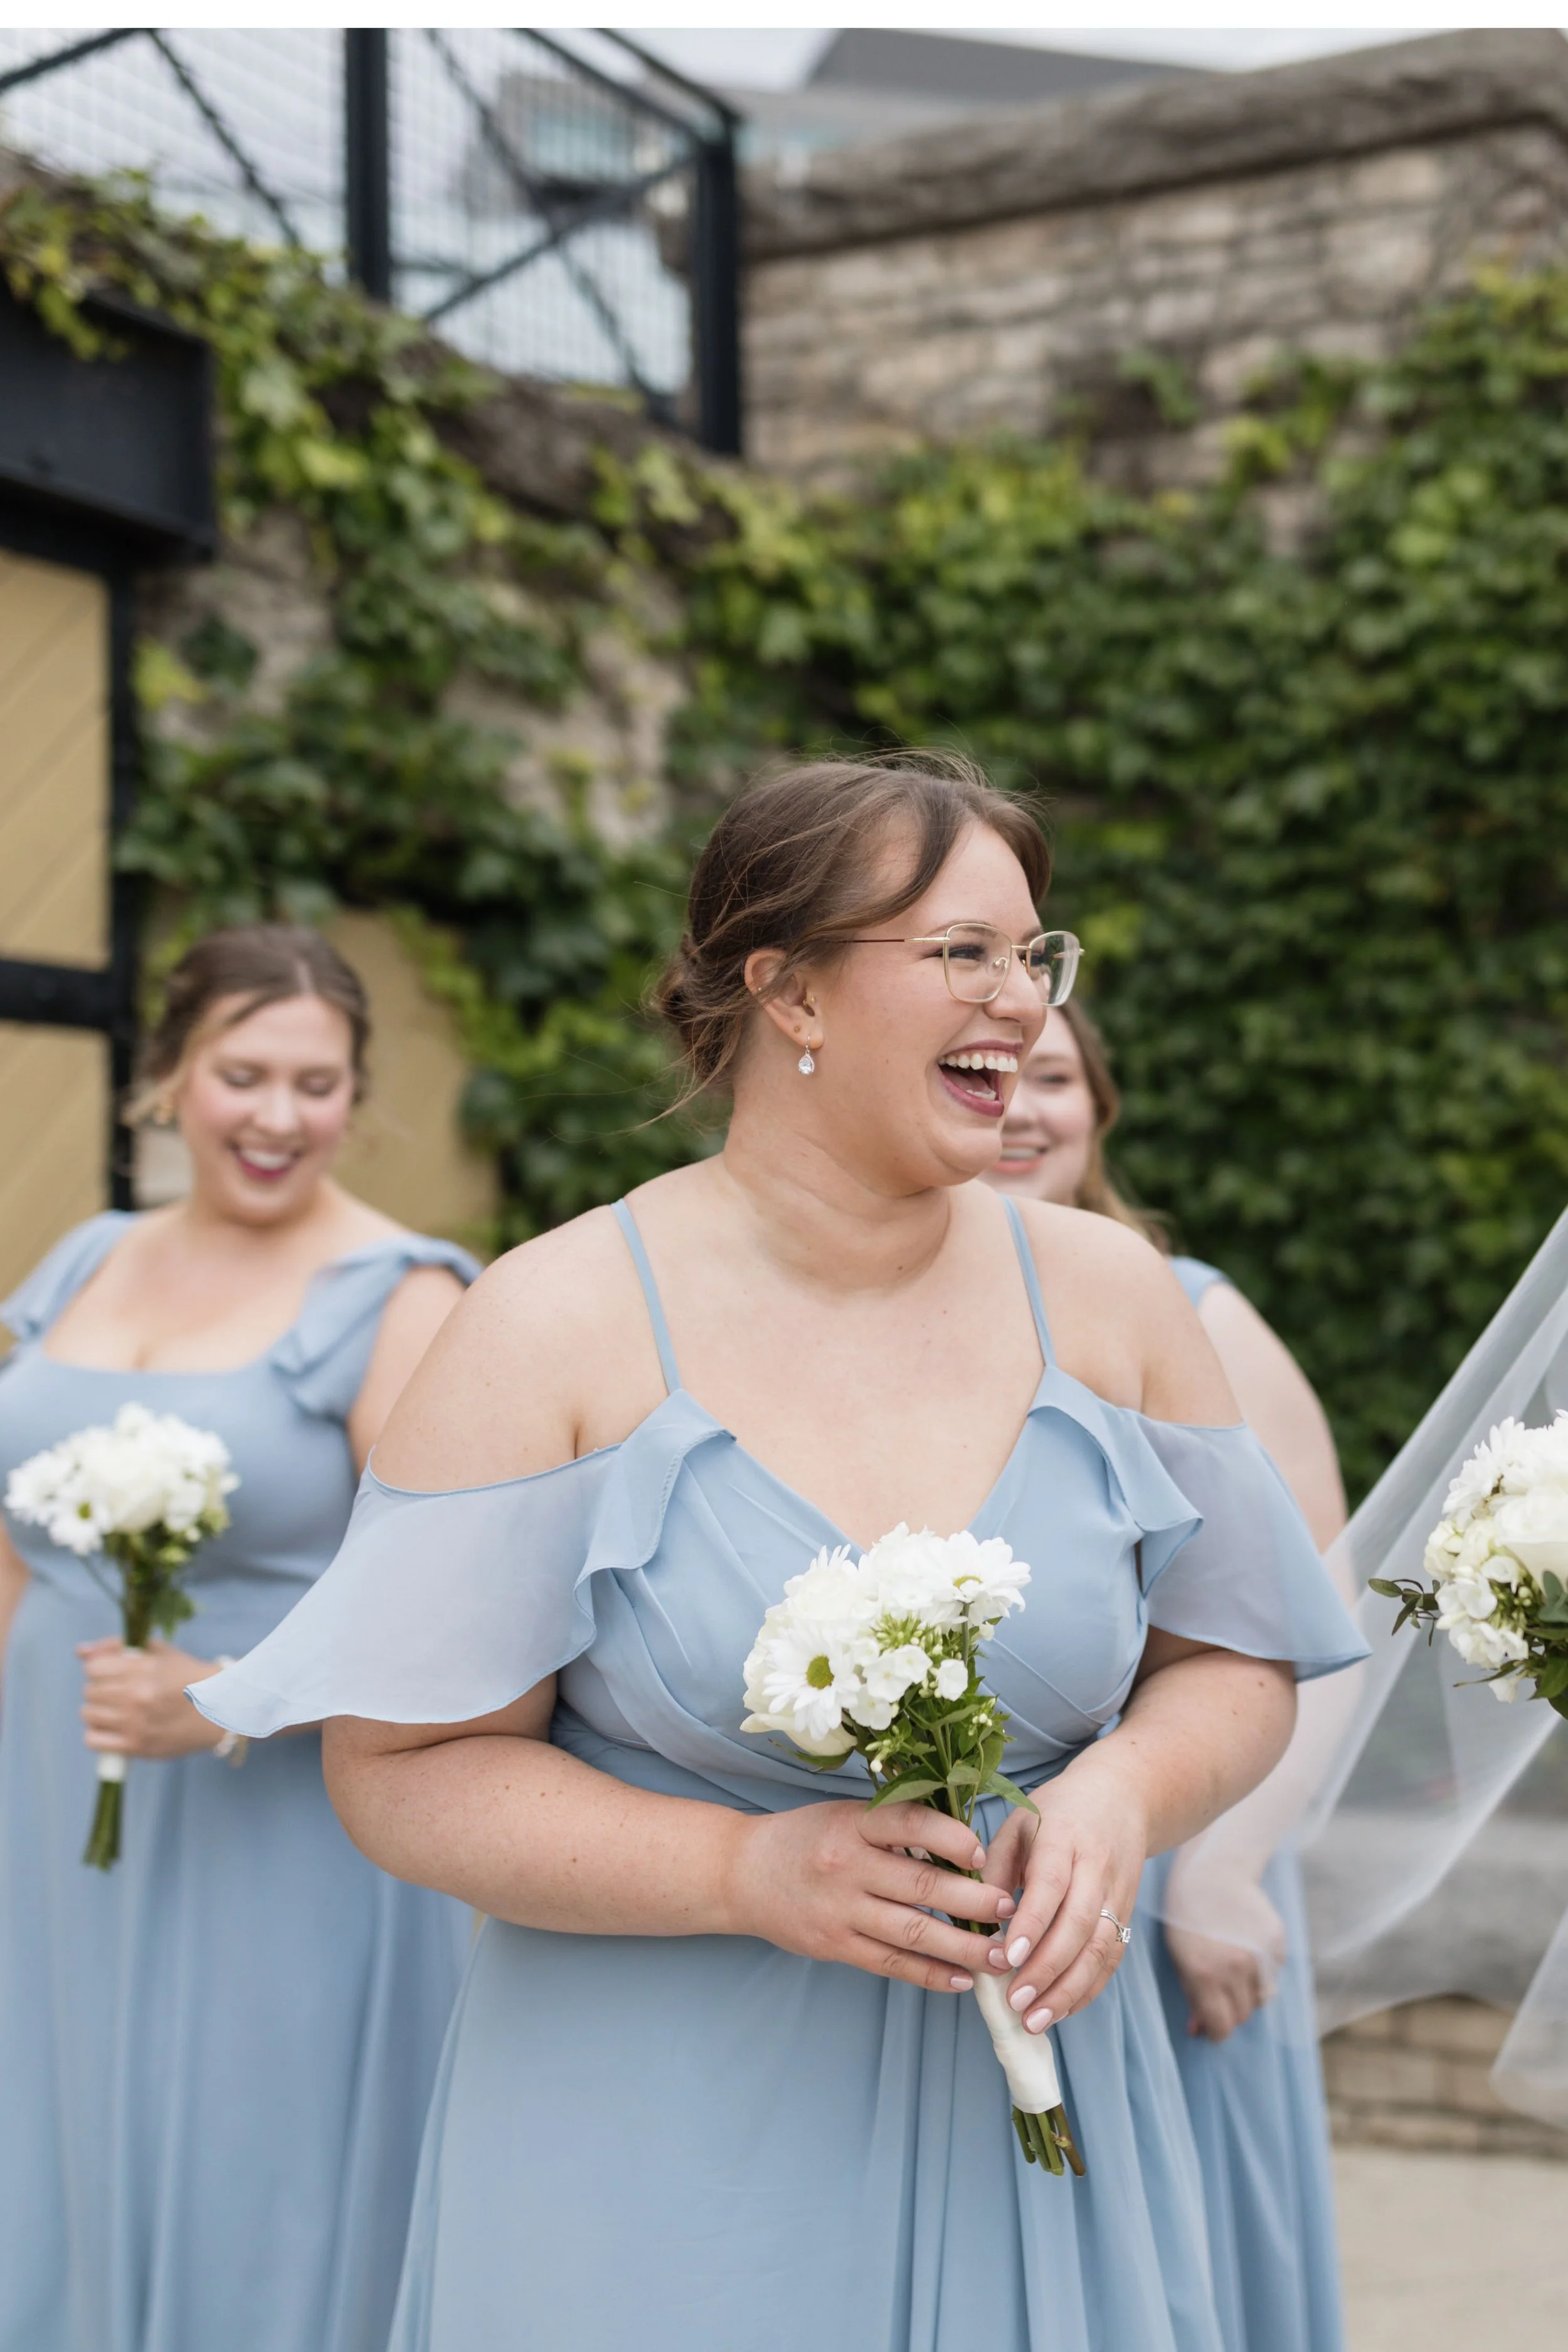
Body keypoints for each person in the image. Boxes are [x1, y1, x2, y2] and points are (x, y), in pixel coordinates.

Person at [196, 755, 1364, 2352]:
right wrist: (745, 1869)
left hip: (1030, 2104)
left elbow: (1233, 1660)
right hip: (649, 2139)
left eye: (1037, 955)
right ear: (788, 990)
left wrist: (1121, 1795)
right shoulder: (550, 1325)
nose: (1020, 1001)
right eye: (963, 952)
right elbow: (395, 1768)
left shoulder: (1111, 1301)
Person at [0, 925, 480, 2352]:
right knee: (60, 2117)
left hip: (281, 1807)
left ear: (356, 1097)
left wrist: (228, 1700)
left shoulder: (405, 1296)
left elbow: (445, 1602)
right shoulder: (84, 1255)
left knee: (252, 2163)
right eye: (244, 1075)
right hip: (54, 1790)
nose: (279, 1118)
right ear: (168, 1078)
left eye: (317, 1085)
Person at [988, 997, 1349, 2352]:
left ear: (1101, 1109)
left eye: (1056, 1077)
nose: (1022, 1106)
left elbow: (1316, 1625)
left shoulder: (1194, 1317)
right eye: (996, 1076)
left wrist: (1223, 1871)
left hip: (1187, 1861)